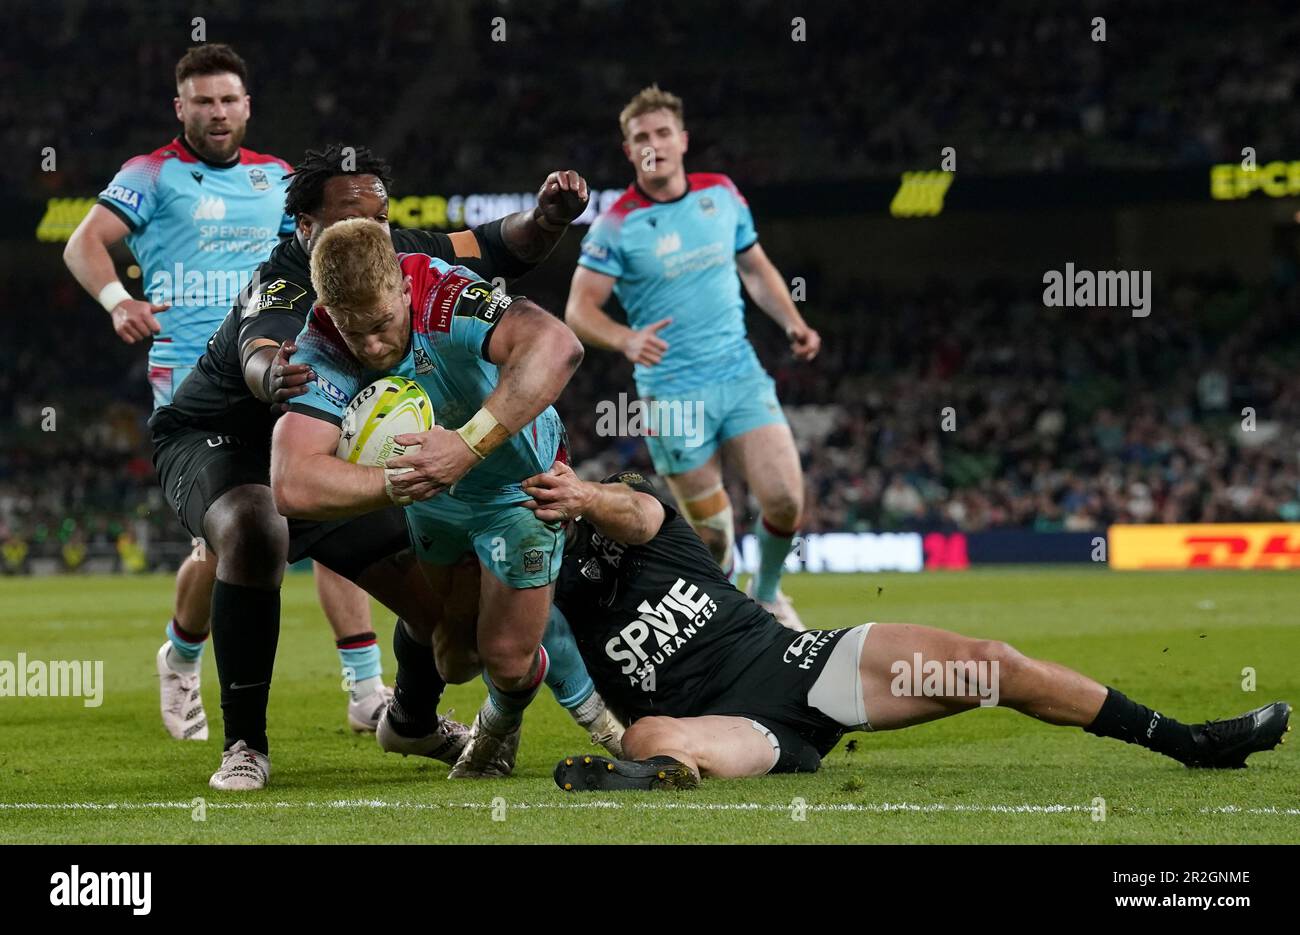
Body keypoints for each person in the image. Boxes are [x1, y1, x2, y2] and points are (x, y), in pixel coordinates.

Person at [150, 145, 596, 788]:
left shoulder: (395, 256)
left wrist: (550, 218)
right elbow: (261, 343)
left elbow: (502, 243)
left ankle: (411, 720)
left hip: (334, 454)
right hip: (225, 442)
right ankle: (244, 744)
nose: (370, 231)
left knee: (448, 623)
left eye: (381, 218)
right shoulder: (286, 281)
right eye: (345, 218)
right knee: (255, 525)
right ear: (304, 228)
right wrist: (273, 371)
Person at [511, 465, 1293, 792]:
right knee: (649, 736)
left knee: (993, 666)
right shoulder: (550, 581)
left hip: (806, 662)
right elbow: (503, 639)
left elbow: (635, 507)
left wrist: (584, 495)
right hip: (739, 724)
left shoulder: (655, 525)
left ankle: (1189, 741)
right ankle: (677, 773)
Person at [62, 44, 383, 741]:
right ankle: (180, 658)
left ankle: (366, 689)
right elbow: (83, 242)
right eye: (202, 100)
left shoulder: (279, 180)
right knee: (228, 544)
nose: (216, 111)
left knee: (336, 514)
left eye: (228, 99)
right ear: (180, 108)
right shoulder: (151, 175)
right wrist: (119, 299)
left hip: (287, 376)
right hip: (198, 396)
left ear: (247, 105)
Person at [271, 213, 607, 780]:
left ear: (403, 287)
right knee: (454, 657)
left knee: (503, 655)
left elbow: (557, 345)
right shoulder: (323, 338)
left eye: (381, 322)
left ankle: (517, 728)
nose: (373, 345)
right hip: (433, 498)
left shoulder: (445, 294)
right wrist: (397, 482)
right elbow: (290, 482)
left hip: (517, 486)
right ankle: (524, 645)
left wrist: (467, 447)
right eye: (357, 331)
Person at [565, 84, 821, 630]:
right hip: (672, 393)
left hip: (740, 374)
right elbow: (579, 310)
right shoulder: (617, 224)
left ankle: (771, 594)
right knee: (714, 533)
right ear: (629, 151)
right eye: (641, 138)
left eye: (662, 133)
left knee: (783, 499)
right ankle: (731, 622)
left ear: (682, 140)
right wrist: (625, 338)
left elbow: (755, 268)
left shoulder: (722, 195)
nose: (653, 144)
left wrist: (792, 321)